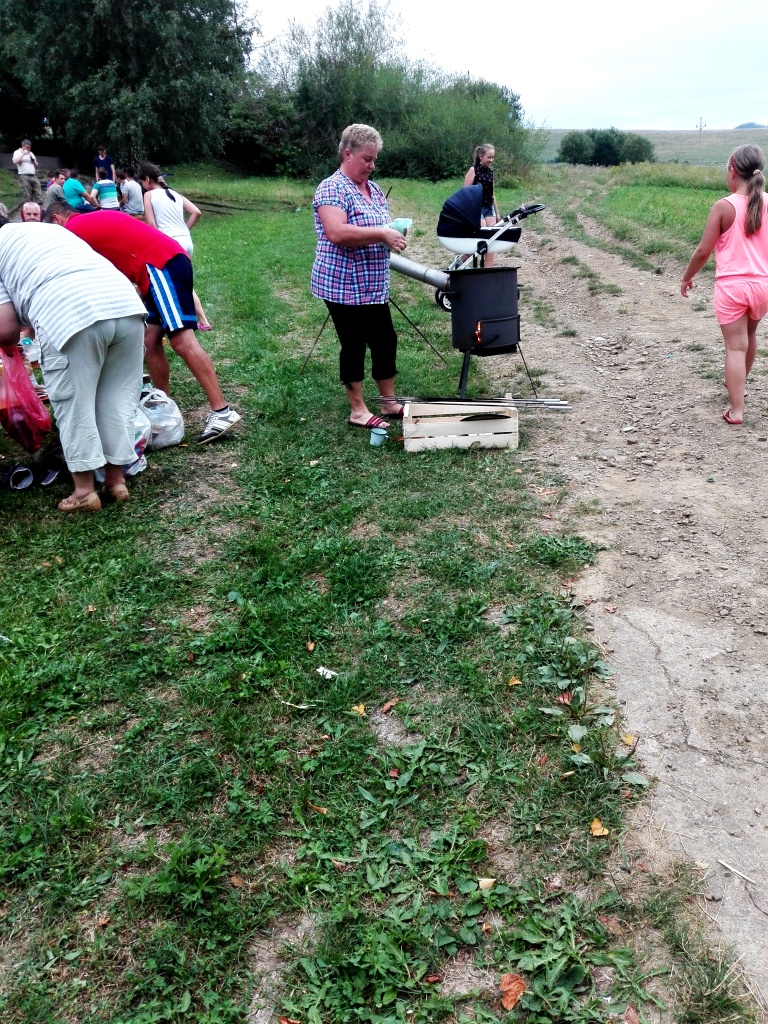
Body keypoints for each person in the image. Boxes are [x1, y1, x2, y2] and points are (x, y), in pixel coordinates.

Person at [45, 203, 241, 444]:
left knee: (181, 340)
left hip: (160, 265)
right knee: (149, 340)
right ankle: (164, 409)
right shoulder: (90, 221)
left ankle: (221, 411)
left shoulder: (72, 230)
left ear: (57, 219)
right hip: (159, 266)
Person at [0, 217, 147, 511]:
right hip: (125, 304)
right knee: (118, 397)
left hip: (70, 310)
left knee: (74, 402)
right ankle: (115, 481)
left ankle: (83, 492)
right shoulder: (48, 231)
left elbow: (6, 330)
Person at [311, 123, 407, 430]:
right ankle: (357, 410)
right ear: (348, 154)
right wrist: (381, 233)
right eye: (367, 158)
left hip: (374, 284)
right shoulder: (331, 188)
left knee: (385, 340)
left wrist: (394, 234)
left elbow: (380, 226)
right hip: (343, 284)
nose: (372, 165)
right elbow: (337, 233)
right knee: (353, 345)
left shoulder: (374, 189)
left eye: (374, 159)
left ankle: (388, 402)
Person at [681, 144, 768, 425]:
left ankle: (737, 410)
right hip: (762, 286)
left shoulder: (723, 206)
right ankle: (739, 384)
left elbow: (702, 251)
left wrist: (687, 276)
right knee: (749, 337)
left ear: (732, 170)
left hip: (732, 288)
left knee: (735, 347)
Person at [137, 162, 211, 329]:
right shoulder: (174, 193)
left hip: (168, 243)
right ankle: (203, 320)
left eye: (141, 182)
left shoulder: (149, 195)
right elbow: (196, 212)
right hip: (186, 241)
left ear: (147, 179)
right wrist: (185, 230)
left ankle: (143, 314)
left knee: (153, 279)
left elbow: (152, 224)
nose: (142, 185)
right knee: (185, 281)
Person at [464, 143, 500, 267]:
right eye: (489, 157)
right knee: (481, 238)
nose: (491, 160)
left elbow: (492, 194)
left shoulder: (490, 173)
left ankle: (488, 270)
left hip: (489, 208)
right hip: (476, 208)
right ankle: (463, 261)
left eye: (493, 157)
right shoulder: (473, 170)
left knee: (492, 239)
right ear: (481, 156)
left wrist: (497, 214)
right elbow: (465, 192)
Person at [12, 139, 44, 205]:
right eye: (27, 147)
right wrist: (23, 154)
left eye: (29, 148)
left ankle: (40, 208)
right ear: (23, 146)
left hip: (33, 175)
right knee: (27, 194)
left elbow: (36, 166)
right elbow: (15, 161)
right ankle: (29, 207)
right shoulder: (17, 152)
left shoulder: (31, 153)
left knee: (38, 192)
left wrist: (34, 162)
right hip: (24, 175)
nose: (28, 149)